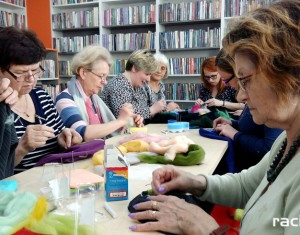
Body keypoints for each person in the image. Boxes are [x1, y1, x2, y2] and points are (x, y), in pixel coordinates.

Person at [128, 1, 300, 234]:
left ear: (291, 73)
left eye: (245, 80)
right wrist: (194, 181)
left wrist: (206, 229)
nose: (240, 94)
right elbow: (248, 186)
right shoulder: (287, 141)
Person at [0, 27, 82, 174]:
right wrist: (21, 148)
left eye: (35, 70)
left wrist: (64, 137)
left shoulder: (41, 96)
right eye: (21, 73)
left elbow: (58, 134)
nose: (31, 80)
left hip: (52, 183)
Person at [55, 45, 143, 141]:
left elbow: (105, 129)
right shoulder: (64, 99)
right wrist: (120, 121)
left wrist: (129, 121)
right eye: (101, 76)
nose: (104, 82)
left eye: (106, 77)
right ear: (83, 73)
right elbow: (82, 133)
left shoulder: (95, 99)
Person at [214, 49, 283, 171]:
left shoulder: (270, 102)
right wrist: (232, 124)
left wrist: (235, 134)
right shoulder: (252, 98)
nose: (240, 97)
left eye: (225, 80)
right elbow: (254, 128)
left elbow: (269, 150)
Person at [100, 49, 163, 120]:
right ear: (134, 68)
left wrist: (164, 107)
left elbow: (149, 106)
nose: (148, 79)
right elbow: (125, 116)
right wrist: (152, 110)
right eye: (147, 74)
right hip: (117, 130)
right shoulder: (118, 85)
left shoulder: (138, 85)